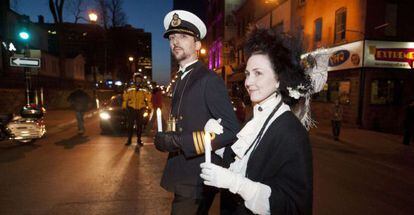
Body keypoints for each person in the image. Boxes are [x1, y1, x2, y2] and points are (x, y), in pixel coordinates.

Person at [200, 28, 327, 214]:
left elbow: (293, 206)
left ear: (278, 80)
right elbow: (248, 161)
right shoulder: (258, 116)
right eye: (247, 73)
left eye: (258, 73)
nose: (248, 82)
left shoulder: (291, 131)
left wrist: (236, 183)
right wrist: (217, 142)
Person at [154, 10, 240, 214]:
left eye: (183, 37)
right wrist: (167, 137)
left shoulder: (208, 80)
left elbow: (231, 130)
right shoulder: (182, 79)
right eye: (172, 37)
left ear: (198, 45)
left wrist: (179, 142)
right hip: (183, 173)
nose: (175, 42)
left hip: (197, 177)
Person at [122, 73, 152, 148]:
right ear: (134, 80)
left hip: (141, 109)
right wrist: (124, 107)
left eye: (139, 79)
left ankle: (139, 140)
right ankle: (129, 140)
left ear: (141, 80)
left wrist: (149, 108)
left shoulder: (144, 89)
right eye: (137, 79)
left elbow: (148, 99)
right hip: (131, 108)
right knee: (130, 126)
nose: (138, 80)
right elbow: (125, 98)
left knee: (139, 126)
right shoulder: (129, 88)